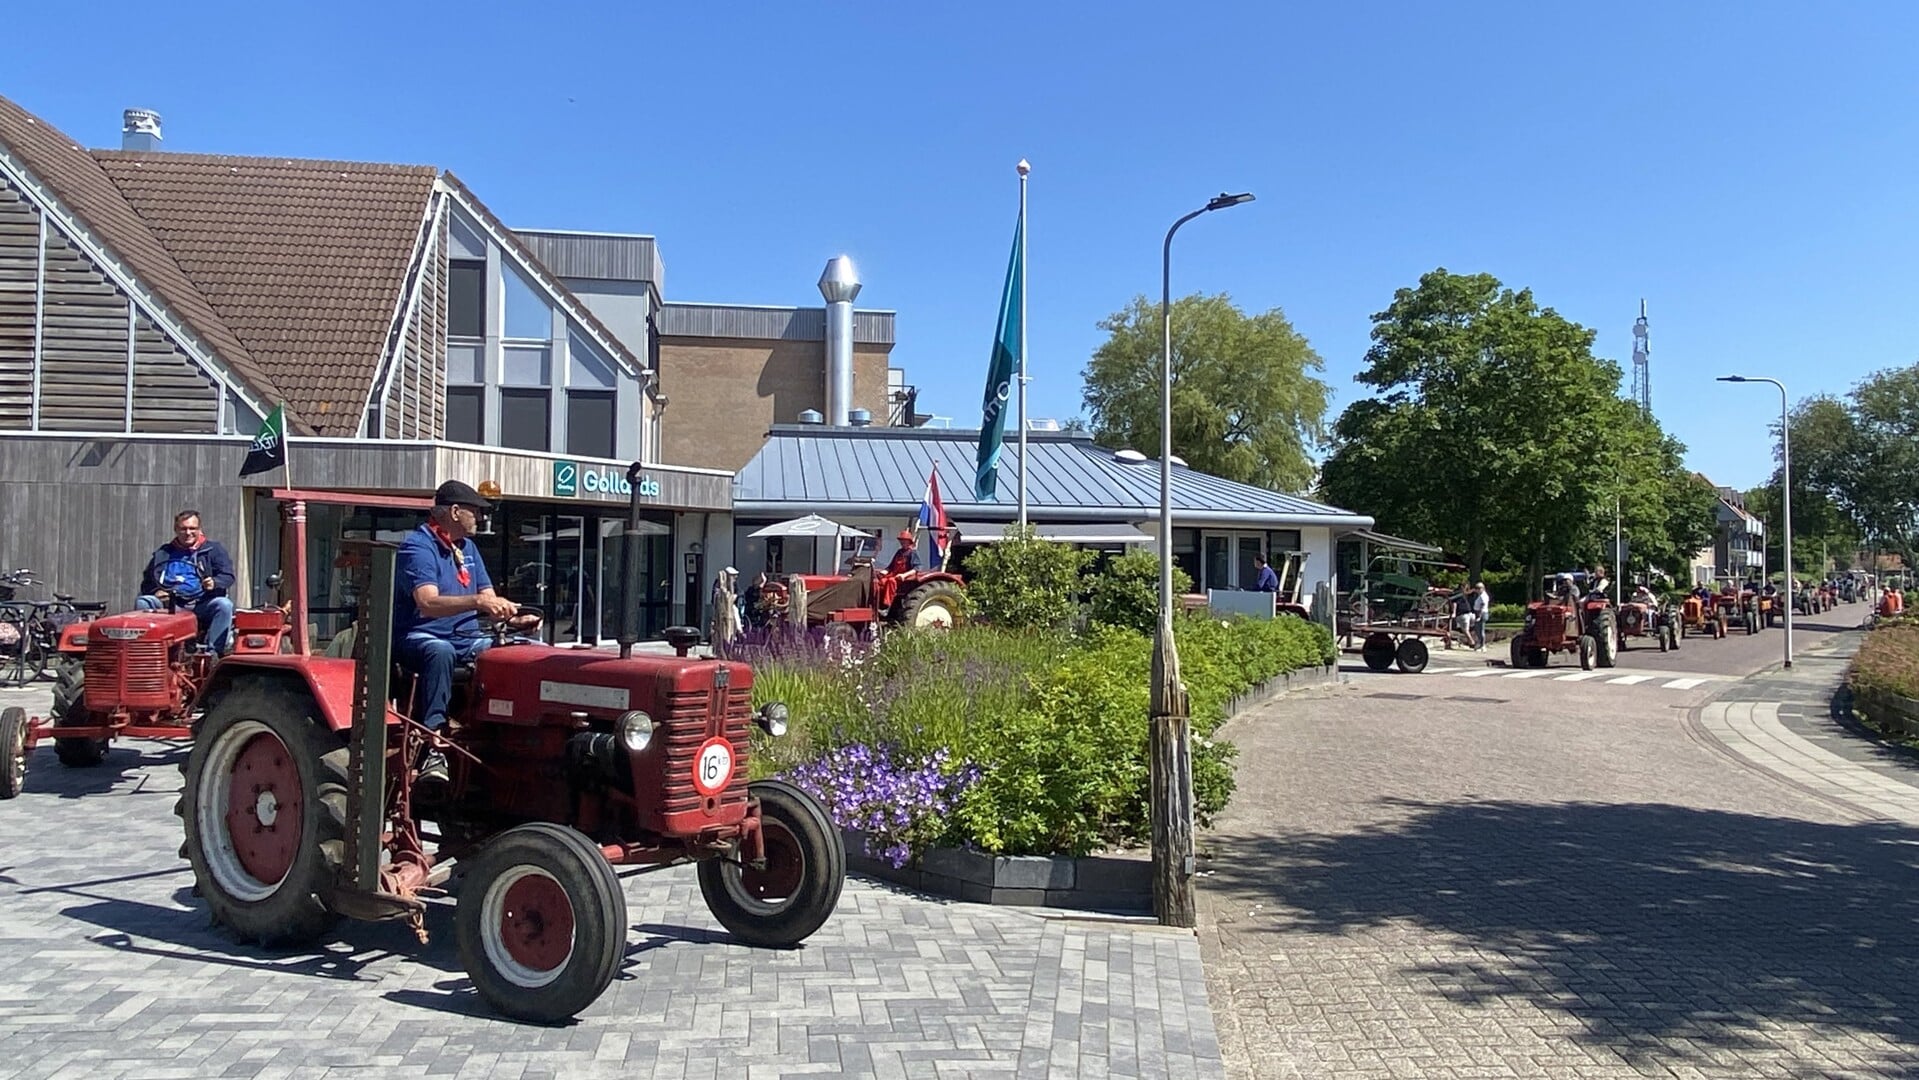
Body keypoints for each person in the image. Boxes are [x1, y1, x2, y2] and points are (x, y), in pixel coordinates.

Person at [395, 480, 539, 783]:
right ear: (455, 512)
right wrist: (478, 601)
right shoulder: (417, 547)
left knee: (521, 650)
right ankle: (433, 743)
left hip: (467, 638)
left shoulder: (468, 547)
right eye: (476, 511)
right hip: (420, 635)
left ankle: (509, 732)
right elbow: (427, 603)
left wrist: (513, 618)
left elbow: (488, 597)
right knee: (440, 651)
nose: (481, 518)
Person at [138, 509, 237, 654]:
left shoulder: (213, 550)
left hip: (201, 603)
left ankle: (213, 654)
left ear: (199, 529)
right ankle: (146, 652)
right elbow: (147, 582)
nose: (188, 532)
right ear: (176, 530)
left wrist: (214, 583)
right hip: (170, 605)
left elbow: (228, 576)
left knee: (224, 605)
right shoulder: (164, 553)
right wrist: (156, 591)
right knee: (144, 601)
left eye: (192, 528)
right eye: (183, 529)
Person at [1470, 580, 1491, 649]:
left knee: (1480, 630)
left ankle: (1482, 645)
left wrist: (1479, 616)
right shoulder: (1480, 595)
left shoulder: (1483, 596)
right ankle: (1479, 643)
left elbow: (1482, 606)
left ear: (1483, 588)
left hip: (1481, 613)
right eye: (1477, 588)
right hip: (1478, 613)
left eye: (1479, 588)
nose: (1477, 590)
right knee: (1477, 629)